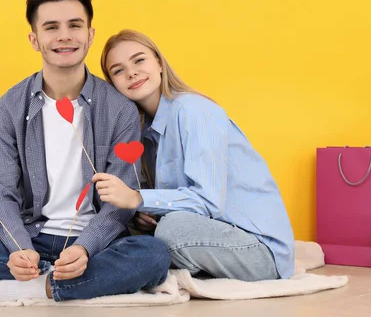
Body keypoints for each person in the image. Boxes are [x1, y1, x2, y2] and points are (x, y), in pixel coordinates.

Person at [0, 0, 170, 304]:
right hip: (30, 239)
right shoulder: (9, 107)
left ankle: (38, 286)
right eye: (51, 27)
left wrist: (83, 248)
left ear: (90, 35)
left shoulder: (119, 108)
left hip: (96, 247)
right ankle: (53, 280)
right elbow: (1, 193)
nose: (64, 36)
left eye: (74, 25)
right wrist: (19, 249)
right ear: (35, 39)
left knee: (153, 254)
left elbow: (118, 203)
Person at [94, 29, 295, 281]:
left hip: (259, 251)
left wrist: (137, 198)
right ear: (113, 84)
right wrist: (145, 213)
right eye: (118, 70)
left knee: (171, 229)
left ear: (158, 62)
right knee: (123, 227)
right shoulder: (144, 133)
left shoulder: (193, 110)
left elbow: (208, 201)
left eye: (139, 60)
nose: (131, 72)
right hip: (214, 236)